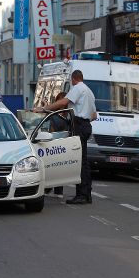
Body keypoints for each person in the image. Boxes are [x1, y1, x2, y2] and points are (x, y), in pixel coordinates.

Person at [33, 70, 96, 205]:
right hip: (85, 125)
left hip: (78, 125)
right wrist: (84, 121)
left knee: (79, 161)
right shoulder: (89, 92)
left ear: (73, 79)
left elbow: (63, 103)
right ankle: (86, 193)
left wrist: (44, 109)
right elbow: (94, 115)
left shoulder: (77, 88)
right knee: (83, 161)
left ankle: (82, 195)